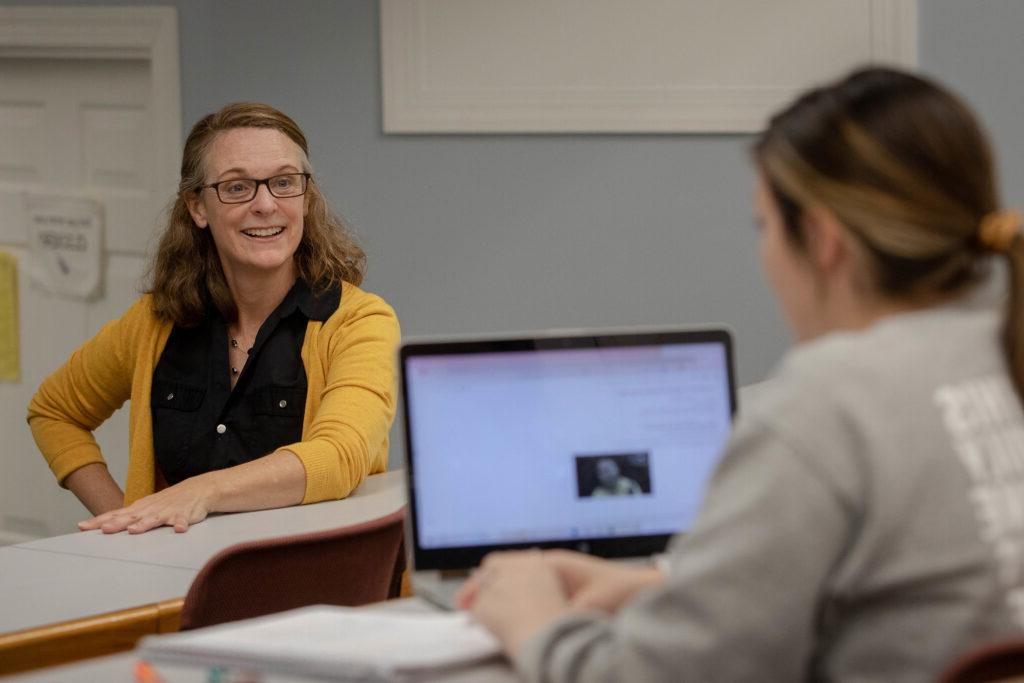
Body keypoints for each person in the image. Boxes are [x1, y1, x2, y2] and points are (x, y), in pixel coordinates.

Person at [456, 67, 1024, 681]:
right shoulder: (999, 351)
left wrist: (536, 621)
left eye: (765, 227)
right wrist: (667, 585)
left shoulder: (825, 405)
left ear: (824, 240)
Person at [28, 103, 399, 535]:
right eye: (237, 187)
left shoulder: (359, 323)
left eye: (284, 183)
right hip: (173, 591)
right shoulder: (154, 322)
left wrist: (202, 490)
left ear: (306, 197)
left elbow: (339, 456)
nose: (266, 204)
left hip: (312, 588)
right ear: (198, 207)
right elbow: (54, 411)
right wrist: (125, 517)